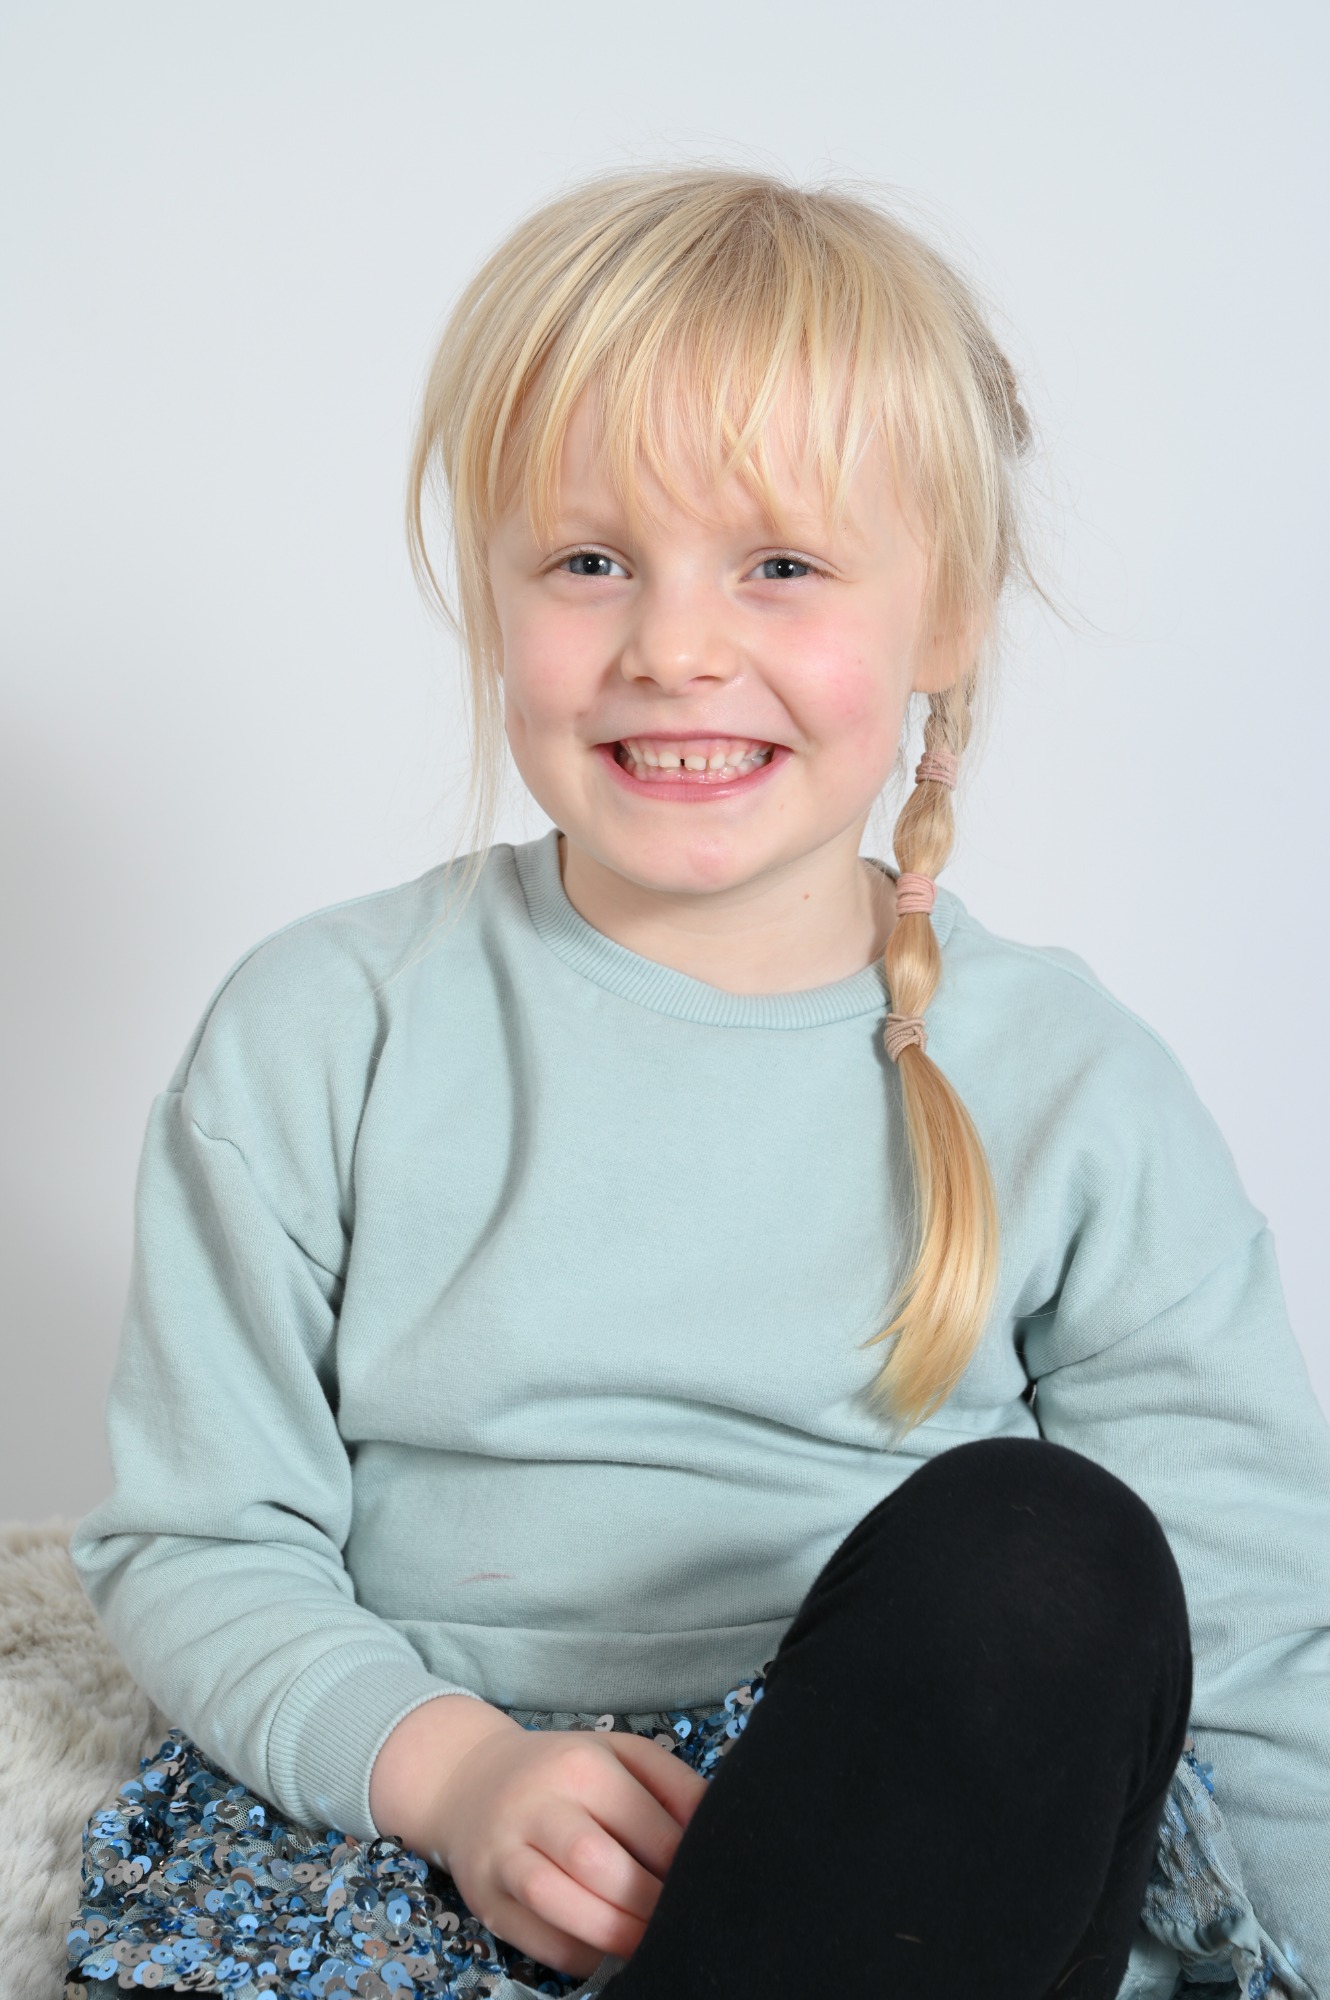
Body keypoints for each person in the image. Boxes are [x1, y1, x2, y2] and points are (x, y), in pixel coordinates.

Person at [66, 167, 1329, 2000]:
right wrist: (455, 1773)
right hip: (438, 1842)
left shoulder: (1069, 1083)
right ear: (492, 592)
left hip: (918, 1865)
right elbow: (202, 1542)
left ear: (945, 617)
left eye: (780, 565)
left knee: (1047, 1553)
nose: (672, 645)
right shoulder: (326, 1026)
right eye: (589, 561)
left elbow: (1254, 1624)